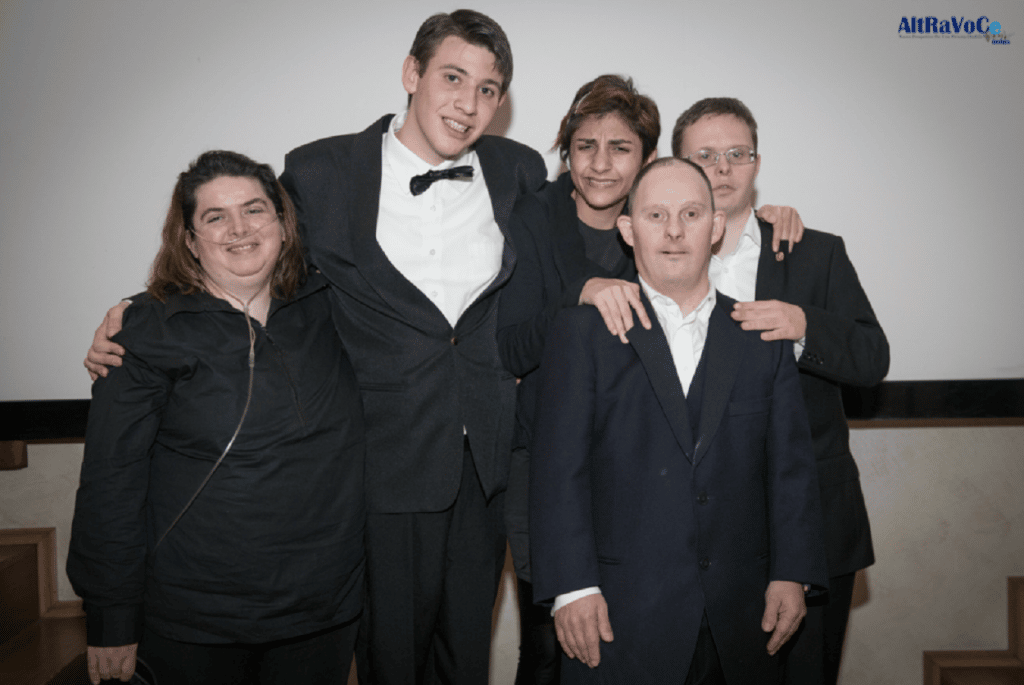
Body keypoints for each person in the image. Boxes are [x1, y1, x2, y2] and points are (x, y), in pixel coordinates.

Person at [85, 11, 547, 684]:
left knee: (466, 660)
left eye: (488, 89)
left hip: (486, 464)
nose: (468, 103)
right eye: (453, 78)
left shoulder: (518, 170)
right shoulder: (321, 169)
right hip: (386, 460)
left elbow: (568, 249)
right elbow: (246, 244)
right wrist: (139, 310)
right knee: (392, 660)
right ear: (411, 73)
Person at [497, 76, 805, 684]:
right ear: (629, 228)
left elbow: (789, 467)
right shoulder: (580, 320)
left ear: (715, 227)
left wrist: (791, 570)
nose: (673, 231)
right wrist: (572, 585)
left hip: (734, 606)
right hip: (618, 595)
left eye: (690, 216)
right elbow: (560, 466)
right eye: (656, 216)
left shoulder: (757, 333)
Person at [68, 150, 365, 685]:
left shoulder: (335, 306)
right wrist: (111, 617)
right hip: (195, 620)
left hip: (323, 610)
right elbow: (111, 484)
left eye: (254, 210)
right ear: (189, 240)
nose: (239, 229)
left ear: (283, 223)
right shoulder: (146, 331)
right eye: (215, 217)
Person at [672, 98, 889, 685]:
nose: (723, 168)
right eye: (705, 155)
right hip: (699, 532)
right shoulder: (659, 253)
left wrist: (803, 326)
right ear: (681, 166)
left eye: (736, 154)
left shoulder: (814, 252)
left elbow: (872, 358)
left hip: (813, 523)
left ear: (757, 163)